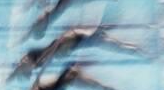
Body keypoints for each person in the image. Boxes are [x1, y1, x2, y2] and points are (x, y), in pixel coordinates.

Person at [8, 25, 145, 81]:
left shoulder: (39, 58)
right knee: (118, 46)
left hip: (74, 40)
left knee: (118, 46)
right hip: (74, 40)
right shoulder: (36, 60)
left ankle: (141, 51)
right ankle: (140, 50)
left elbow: (57, 45)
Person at [20, 0, 118, 43]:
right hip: (67, 1)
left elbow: (30, 32)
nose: (36, 23)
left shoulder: (47, 21)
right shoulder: (46, 19)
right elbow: (30, 32)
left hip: (67, 1)